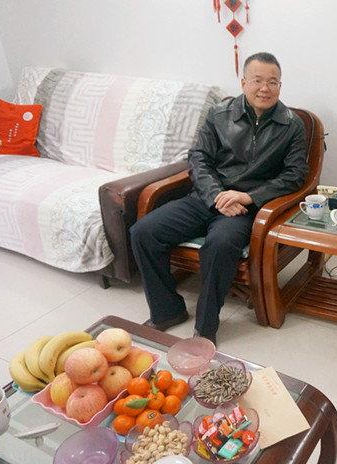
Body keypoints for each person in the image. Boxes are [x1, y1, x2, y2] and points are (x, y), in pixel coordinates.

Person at [130, 52, 309, 344]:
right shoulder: (219, 114)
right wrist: (216, 195)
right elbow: (199, 158)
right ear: (244, 82)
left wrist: (248, 196)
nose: (265, 88)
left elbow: (295, 174)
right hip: (206, 197)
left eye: (273, 82)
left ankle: (206, 327)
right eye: (258, 80)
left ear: (280, 85)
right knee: (143, 232)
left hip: (246, 209)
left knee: (220, 245)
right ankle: (167, 311)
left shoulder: (292, 125)